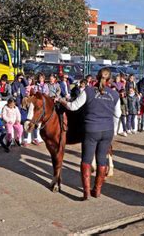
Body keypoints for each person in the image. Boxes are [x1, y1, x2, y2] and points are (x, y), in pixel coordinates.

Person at [59, 68, 121, 200]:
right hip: (108, 130)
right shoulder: (115, 95)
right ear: (110, 80)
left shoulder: (88, 91)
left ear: (96, 78)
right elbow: (118, 115)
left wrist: (61, 101)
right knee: (102, 160)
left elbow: (73, 106)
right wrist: (113, 131)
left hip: (91, 130)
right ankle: (97, 190)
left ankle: (86, 192)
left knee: (86, 160)